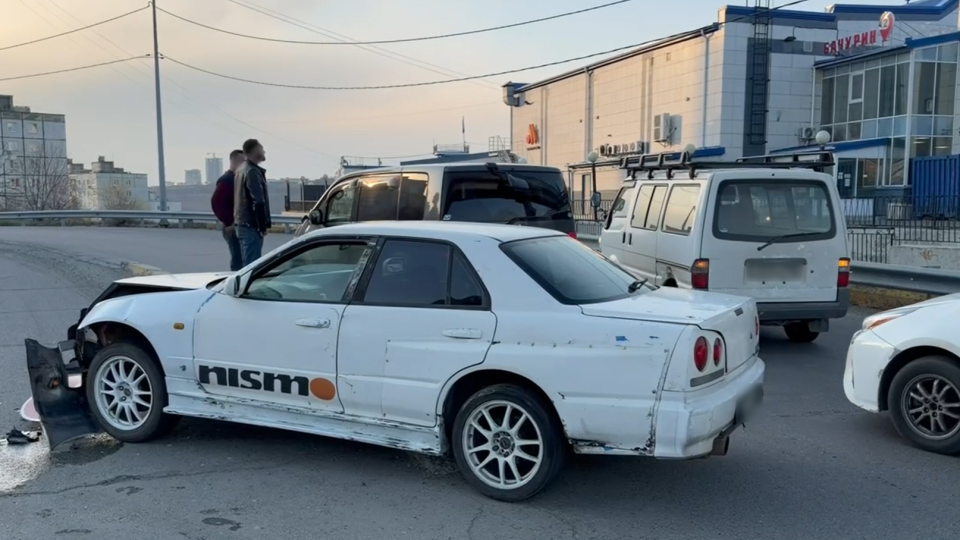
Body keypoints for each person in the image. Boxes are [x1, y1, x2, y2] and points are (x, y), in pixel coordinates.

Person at [234, 138, 272, 266]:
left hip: (243, 223)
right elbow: (258, 201)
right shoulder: (252, 172)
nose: (264, 151)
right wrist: (262, 226)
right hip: (251, 225)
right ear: (254, 151)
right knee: (252, 266)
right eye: (261, 148)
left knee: (247, 262)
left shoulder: (241, 169)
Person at [210, 149, 246, 271]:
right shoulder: (227, 180)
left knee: (243, 259)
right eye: (242, 161)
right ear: (234, 162)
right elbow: (217, 203)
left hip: (238, 225)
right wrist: (229, 222)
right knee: (238, 260)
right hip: (232, 227)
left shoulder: (236, 179)